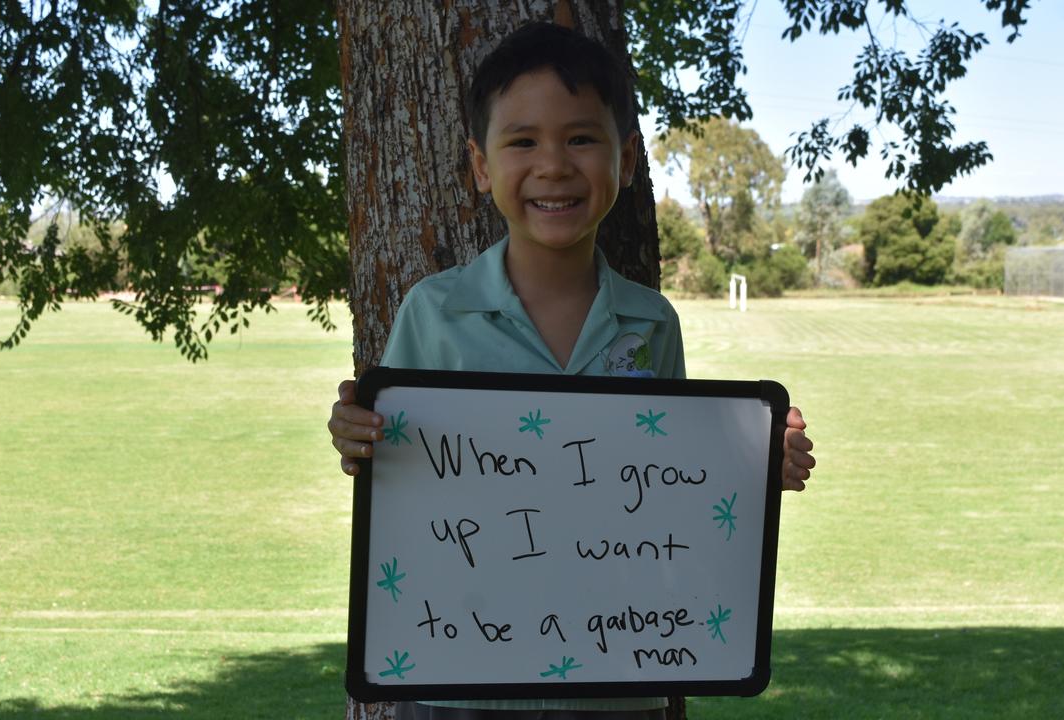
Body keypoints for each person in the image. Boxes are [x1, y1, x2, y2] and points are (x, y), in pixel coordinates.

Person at [327, 22, 816, 720]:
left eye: (581, 138)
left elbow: (669, 483)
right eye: (522, 141)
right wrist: (356, 436)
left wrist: (754, 462)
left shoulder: (651, 325)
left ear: (627, 157)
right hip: (458, 680)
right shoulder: (435, 312)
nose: (553, 165)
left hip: (620, 681)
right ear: (480, 165)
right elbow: (393, 471)